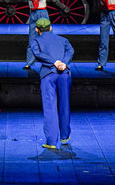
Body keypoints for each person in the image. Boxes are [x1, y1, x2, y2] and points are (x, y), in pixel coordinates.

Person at [30, 18, 74, 149]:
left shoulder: (35, 41)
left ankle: (51, 141)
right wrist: (63, 63)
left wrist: (54, 62)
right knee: (65, 105)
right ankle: (64, 136)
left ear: (37, 29)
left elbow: (37, 53)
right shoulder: (63, 39)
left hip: (48, 75)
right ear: (50, 28)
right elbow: (70, 51)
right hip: (64, 74)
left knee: (50, 107)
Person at [16, 0, 50, 70]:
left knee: (47, 38)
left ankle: (50, 61)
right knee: (32, 38)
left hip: (42, 13)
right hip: (33, 13)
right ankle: (29, 62)